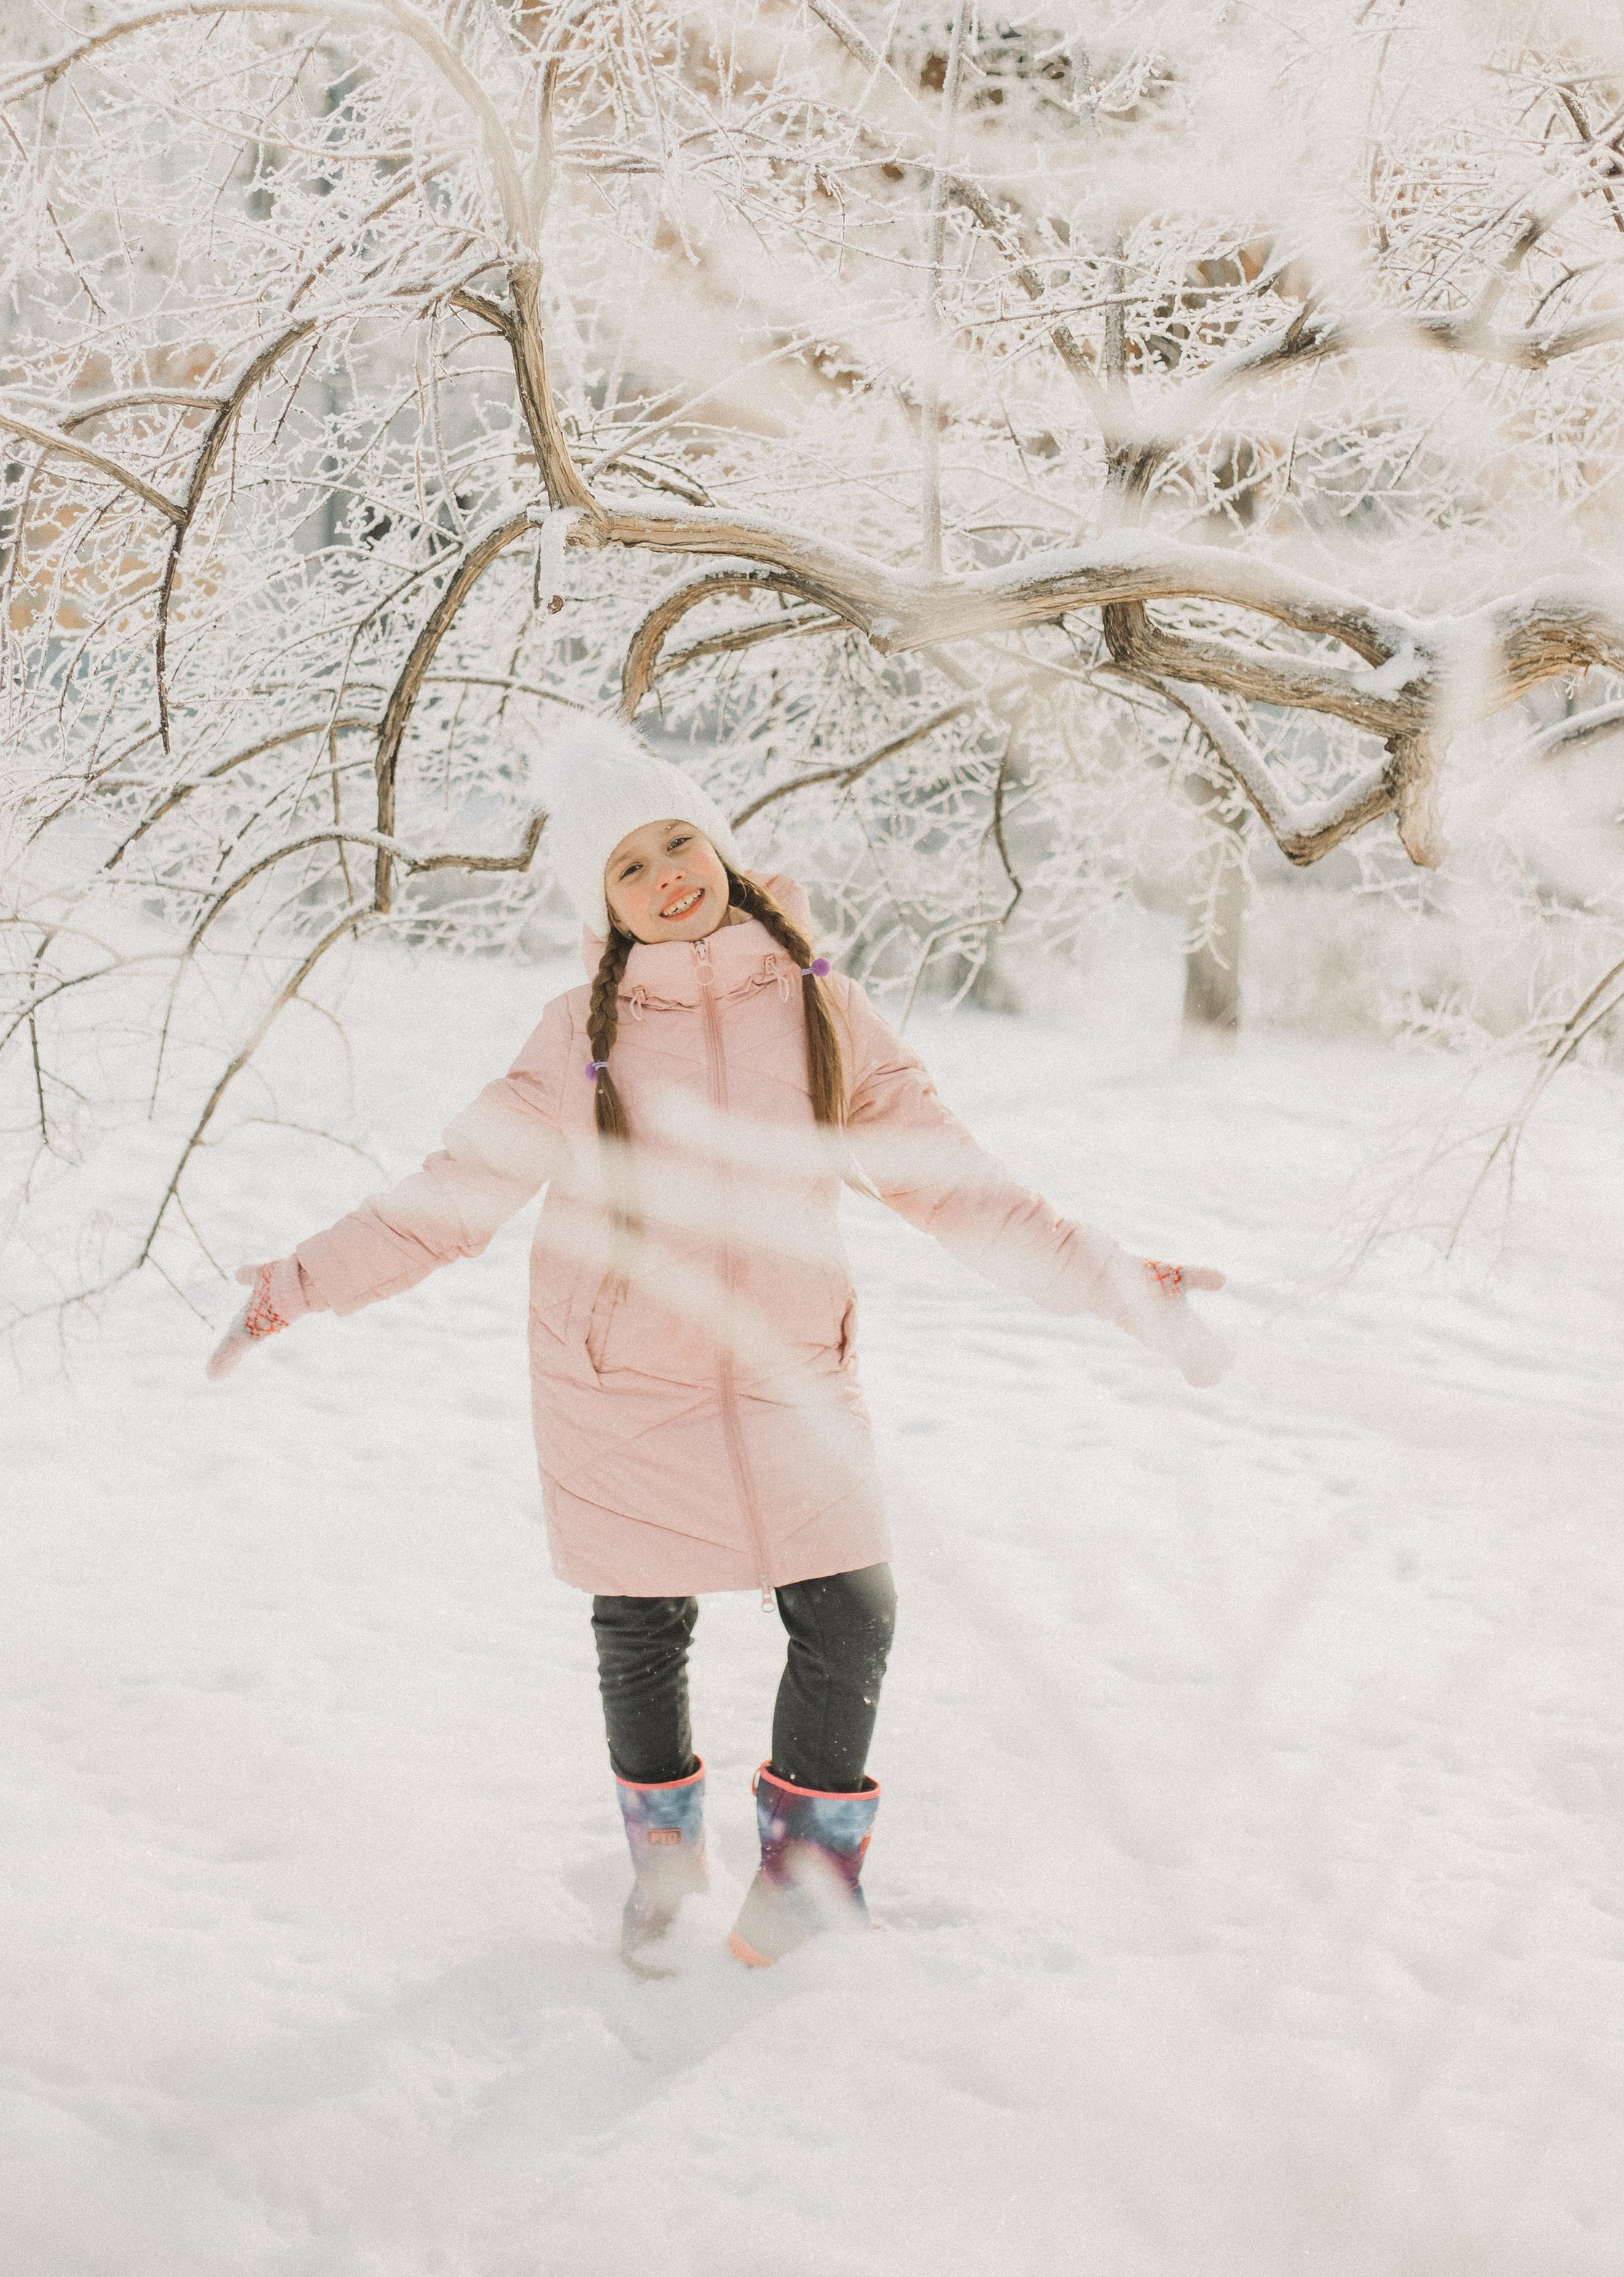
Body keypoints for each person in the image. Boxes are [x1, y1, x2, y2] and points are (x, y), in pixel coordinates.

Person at [208, 721, 1226, 1971]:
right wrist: (301, 1282)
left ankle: (803, 1880)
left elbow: (951, 1180)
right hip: (617, 1379)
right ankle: (664, 1872)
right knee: (641, 1623)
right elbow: (457, 1191)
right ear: (604, 900)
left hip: (793, 1370)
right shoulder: (577, 1038)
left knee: (851, 1612)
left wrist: (1113, 1278)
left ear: (723, 847)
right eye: (629, 867)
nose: (666, 876)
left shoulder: (821, 1008)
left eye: (678, 841)